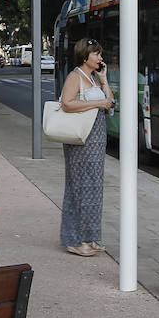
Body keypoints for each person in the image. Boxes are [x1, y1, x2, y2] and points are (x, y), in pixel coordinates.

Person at [58, 38, 115, 257]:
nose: (101, 58)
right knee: (79, 188)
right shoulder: (75, 76)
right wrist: (98, 103)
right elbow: (67, 103)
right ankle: (74, 239)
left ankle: (90, 237)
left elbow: (110, 102)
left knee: (93, 189)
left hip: (96, 140)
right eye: (97, 54)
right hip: (81, 141)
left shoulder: (93, 78)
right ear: (85, 56)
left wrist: (104, 79)